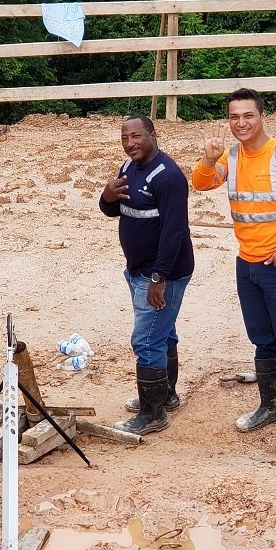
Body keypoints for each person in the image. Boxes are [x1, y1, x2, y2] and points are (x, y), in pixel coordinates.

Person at [191, 88, 276, 453]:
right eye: (234, 117)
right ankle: (272, 405)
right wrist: (207, 159)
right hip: (246, 264)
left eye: (248, 115)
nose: (241, 123)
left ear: (263, 116)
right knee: (262, 339)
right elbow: (201, 183)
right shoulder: (230, 157)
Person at [99, 115, 195, 436]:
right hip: (138, 269)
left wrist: (158, 277)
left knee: (147, 340)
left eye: (136, 136)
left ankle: (152, 414)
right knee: (163, 333)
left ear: (153, 135)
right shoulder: (128, 167)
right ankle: (165, 395)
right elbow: (115, 209)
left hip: (161, 275)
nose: (130, 144)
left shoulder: (168, 177)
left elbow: (174, 232)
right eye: (125, 138)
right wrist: (107, 196)